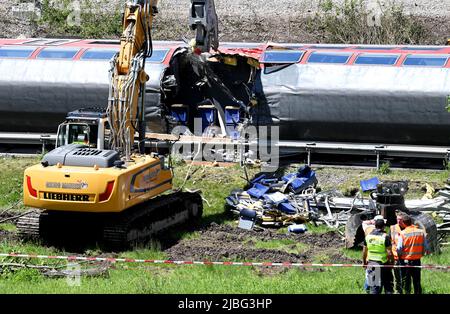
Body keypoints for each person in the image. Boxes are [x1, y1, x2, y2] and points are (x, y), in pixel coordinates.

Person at [397, 214, 429, 294]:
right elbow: (426, 247)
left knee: (406, 281)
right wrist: (421, 253)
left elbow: (399, 248)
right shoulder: (420, 232)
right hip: (417, 261)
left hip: (406, 261)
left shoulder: (403, 233)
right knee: (417, 281)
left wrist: (399, 255)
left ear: (403, 223)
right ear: (411, 222)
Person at [362, 217, 394, 294]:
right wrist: (392, 262)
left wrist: (364, 262)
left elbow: (364, 252)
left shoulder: (368, 237)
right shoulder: (385, 237)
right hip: (383, 264)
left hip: (372, 264)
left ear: (375, 225)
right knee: (388, 285)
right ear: (384, 226)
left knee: (375, 287)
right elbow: (389, 253)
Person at [388, 211, 405, 294]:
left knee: (405, 276)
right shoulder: (393, 228)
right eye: (397, 219)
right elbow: (388, 242)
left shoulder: (407, 228)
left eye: (400, 220)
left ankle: (406, 289)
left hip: (406, 257)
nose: (398, 221)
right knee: (397, 275)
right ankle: (398, 291)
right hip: (395, 256)